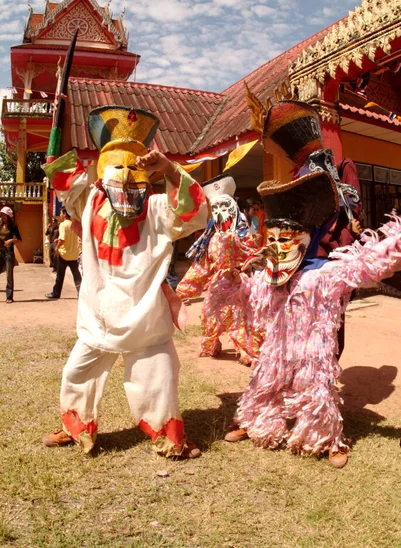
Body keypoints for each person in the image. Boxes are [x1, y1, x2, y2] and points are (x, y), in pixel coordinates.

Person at [218, 97, 401, 468]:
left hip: (324, 275)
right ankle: (255, 419)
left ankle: (326, 434)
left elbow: (366, 252)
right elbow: (253, 279)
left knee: (318, 361)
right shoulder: (299, 184)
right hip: (289, 279)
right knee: (274, 359)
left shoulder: (335, 172)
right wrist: (245, 273)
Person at [42, 105, 207, 458]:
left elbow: (194, 211)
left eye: (135, 169)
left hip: (145, 316)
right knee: (77, 373)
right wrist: (57, 128)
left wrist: (168, 168)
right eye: (119, 168)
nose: (128, 178)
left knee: (160, 380)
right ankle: (76, 428)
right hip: (98, 316)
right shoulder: (88, 202)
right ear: (102, 175)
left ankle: (168, 435)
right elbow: (62, 178)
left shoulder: (160, 209)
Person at [177, 174, 262, 365]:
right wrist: (185, 289)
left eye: (224, 207)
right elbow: (203, 265)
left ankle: (246, 350)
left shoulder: (244, 236)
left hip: (241, 284)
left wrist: (241, 270)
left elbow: (255, 257)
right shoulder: (212, 239)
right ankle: (211, 344)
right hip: (217, 284)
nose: (220, 212)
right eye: (215, 208)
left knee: (242, 318)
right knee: (210, 313)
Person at [45, 207, 82, 299]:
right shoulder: (74, 224)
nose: (60, 215)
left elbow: (62, 239)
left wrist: (57, 249)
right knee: (76, 275)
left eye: (61, 213)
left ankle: (56, 293)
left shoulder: (63, 225)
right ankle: (81, 293)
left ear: (65, 213)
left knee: (60, 276)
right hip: (74, 254)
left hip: (64, 254)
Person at [0, 206, 21, 303]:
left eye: (4, 215)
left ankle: (9, 297)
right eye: (1, 215)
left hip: (8, 252)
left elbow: (19, 239)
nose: (2, 217)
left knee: (9, 275)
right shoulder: (0, 225)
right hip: (0, 252)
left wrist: (11, 240)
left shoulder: (13, 226)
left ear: (8, 216)